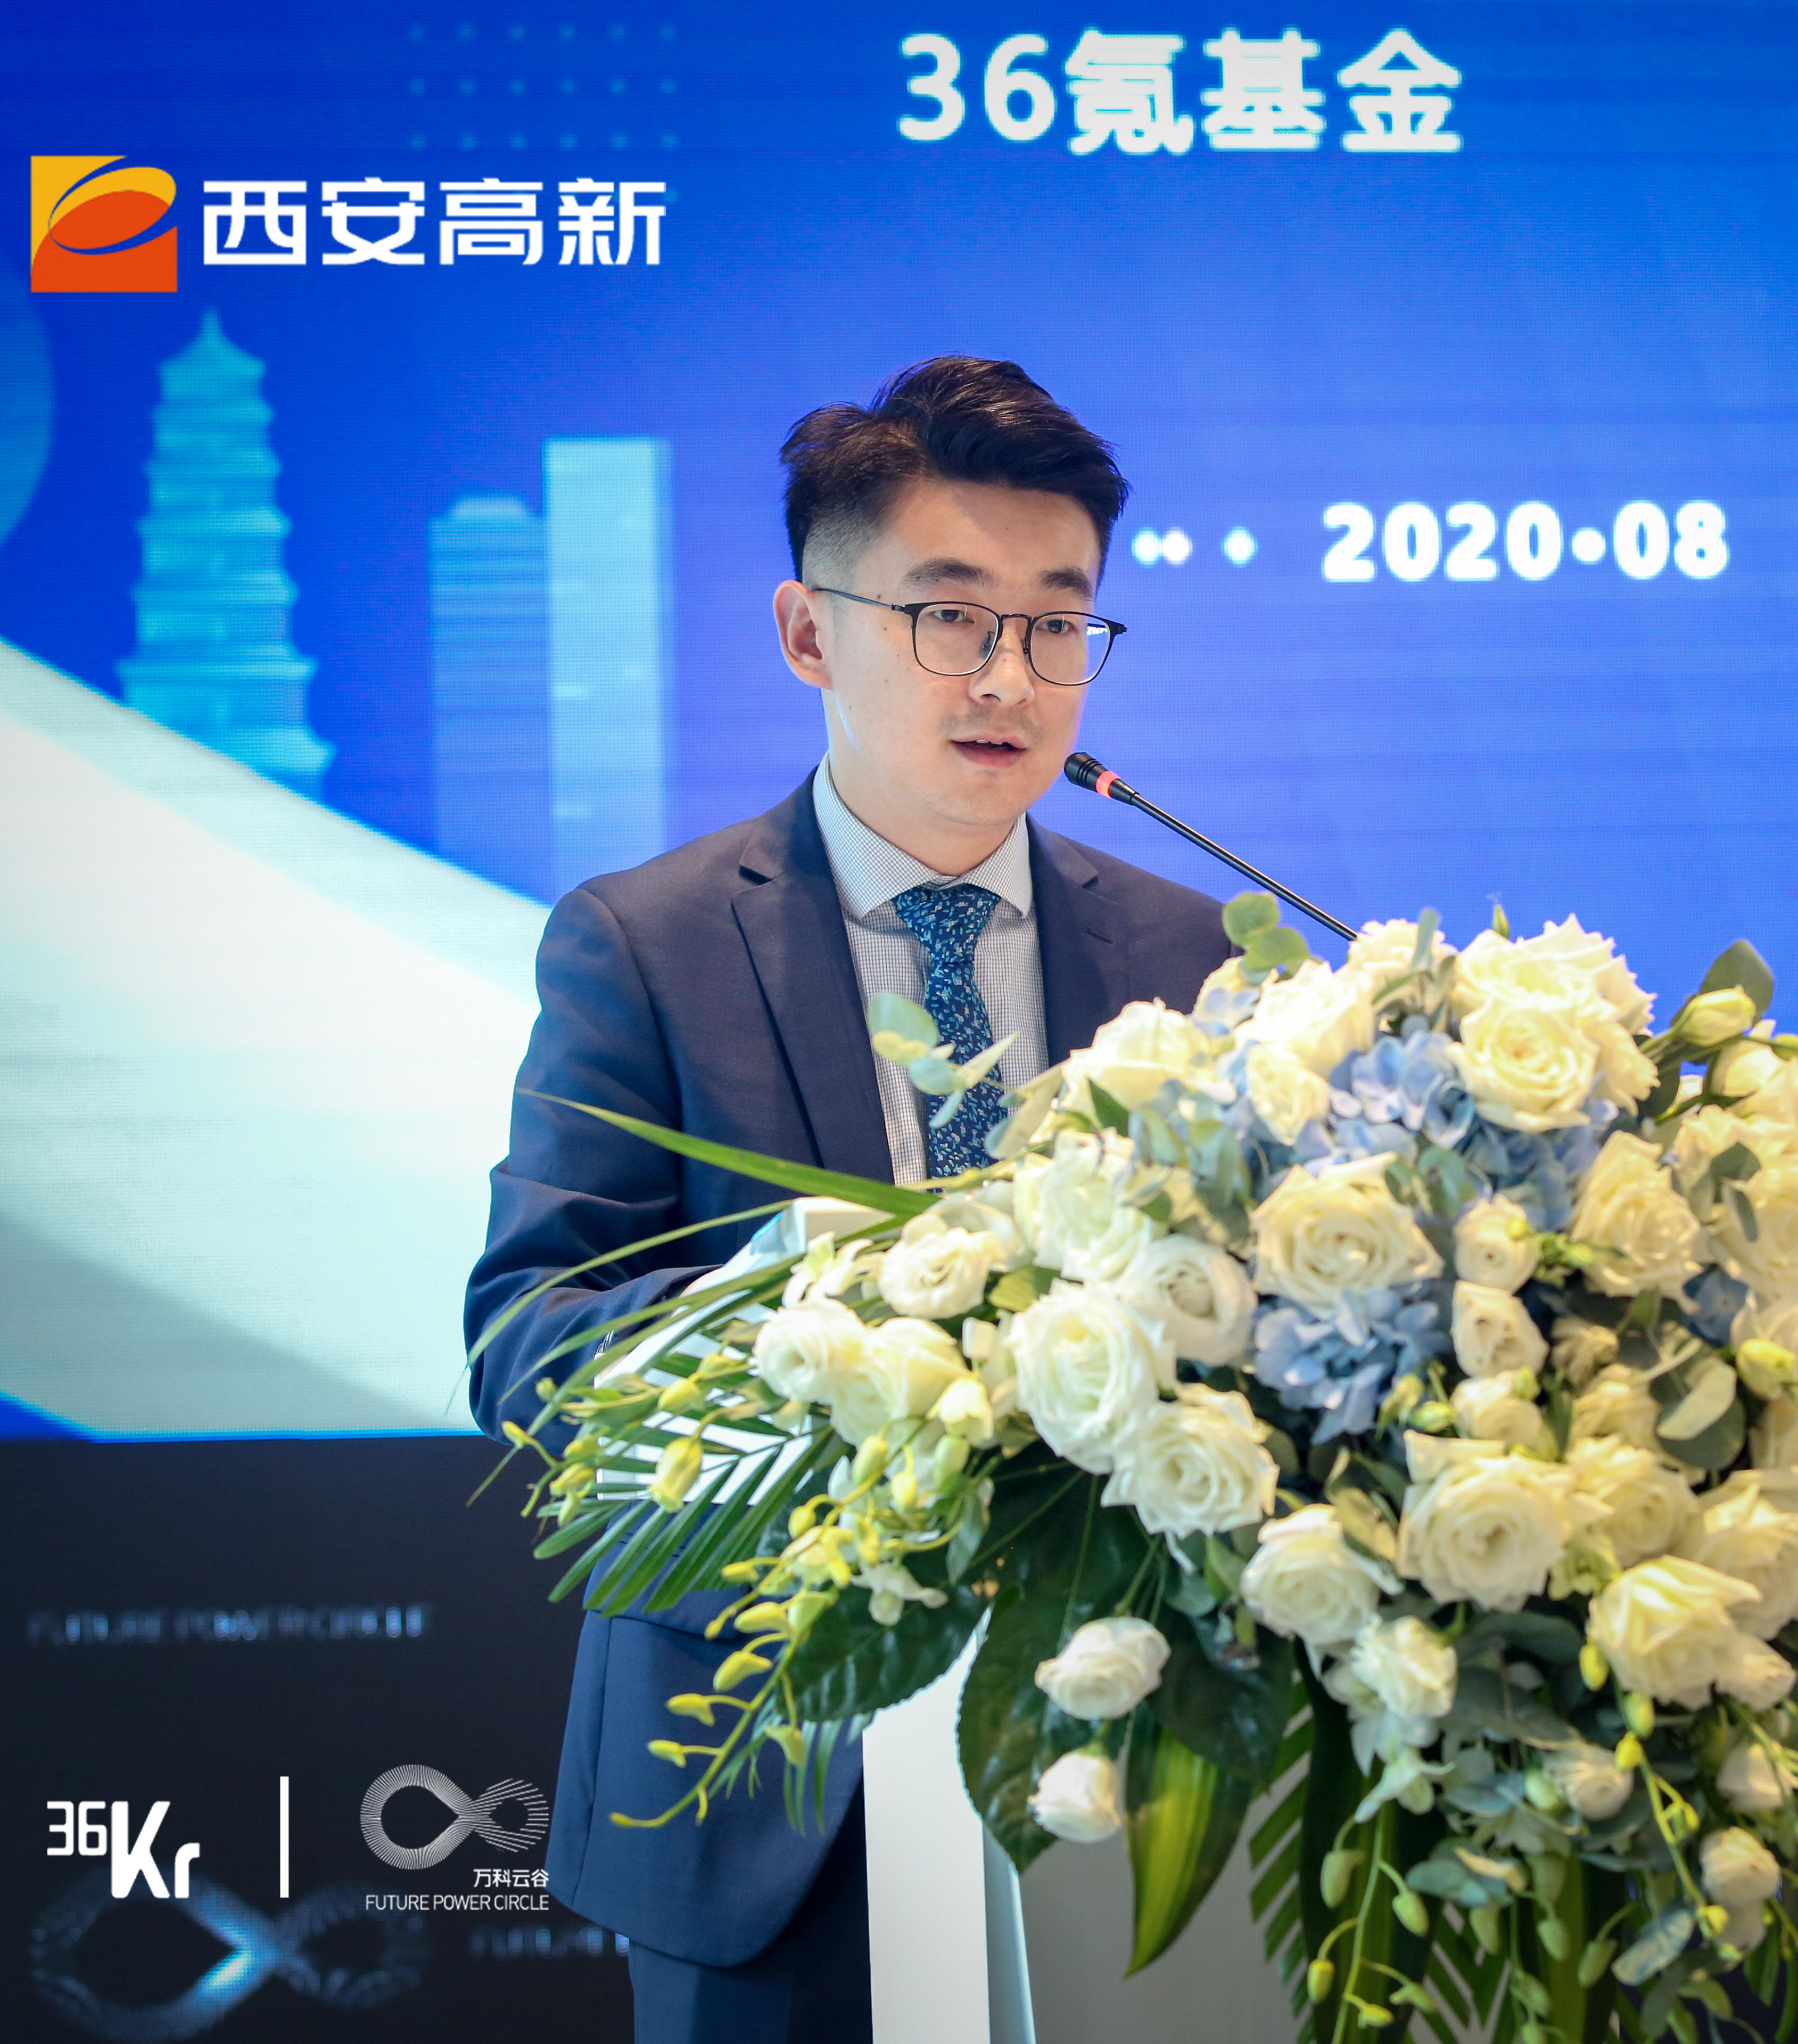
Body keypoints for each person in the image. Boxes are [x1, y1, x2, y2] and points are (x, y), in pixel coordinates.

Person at [465, 357, 1233, 2042]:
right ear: (810, 632)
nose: (1010, 676)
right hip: (770, 1768)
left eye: (1058, 623)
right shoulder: (646, 944)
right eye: (949, 617)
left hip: (1142, 1750)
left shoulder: (1192, 954)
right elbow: (529, 1342)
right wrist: (810, 1308)